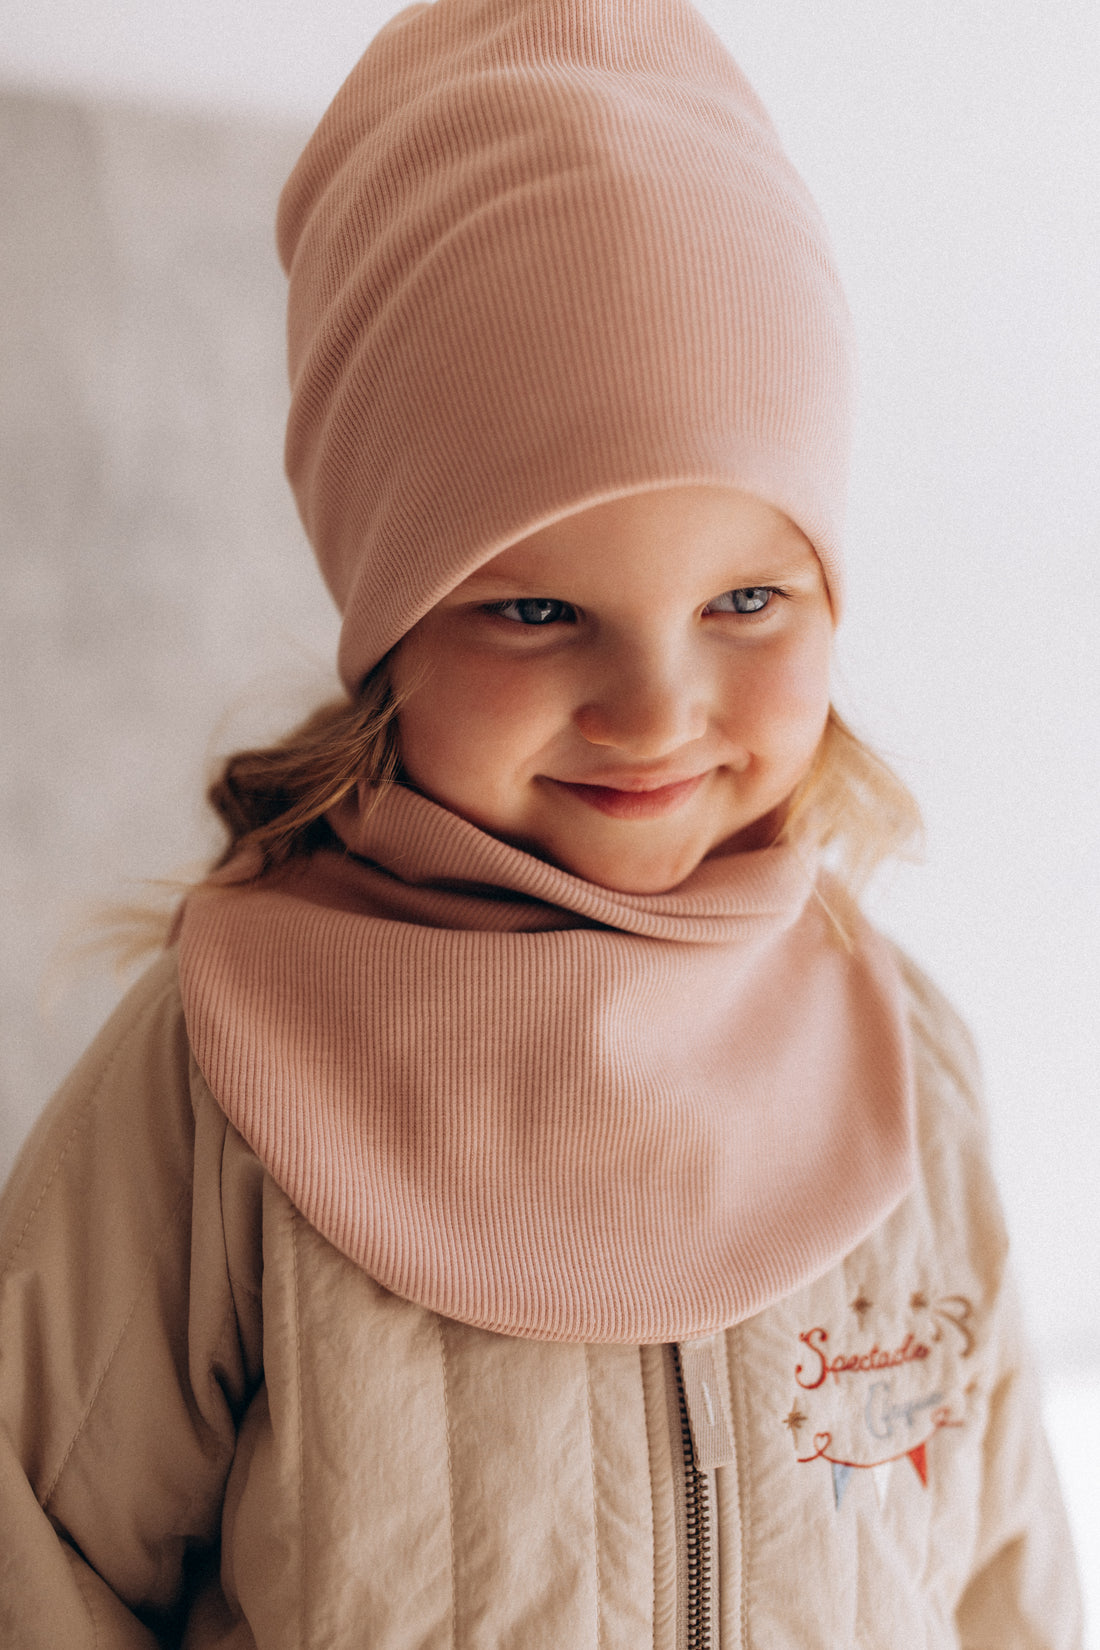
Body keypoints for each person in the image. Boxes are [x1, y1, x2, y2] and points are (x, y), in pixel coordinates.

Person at [0, 1, 1083, 1644]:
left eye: (745, 596)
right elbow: (31, 1546)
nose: (657, 709)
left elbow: (1006, 1571)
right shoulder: (222, 1084)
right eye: (531, 609)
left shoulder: (897, 1063)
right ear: (389, 627)